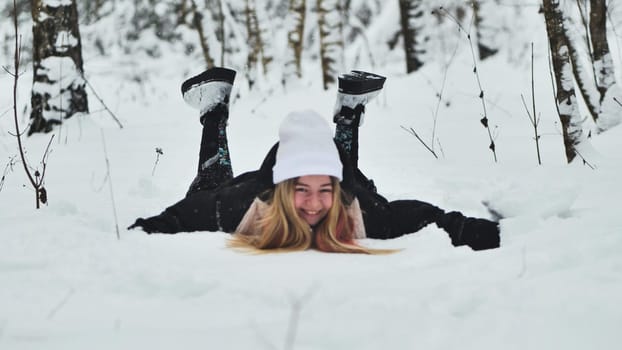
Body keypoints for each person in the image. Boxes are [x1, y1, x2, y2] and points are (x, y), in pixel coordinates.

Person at [128, 67, 500, 253]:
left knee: (351, 181)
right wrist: (143, 233)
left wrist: (481, 232)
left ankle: (348, 118)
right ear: (281, 190)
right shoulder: (238, 208)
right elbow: (181, 215)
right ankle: (214, 112)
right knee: (210, 184)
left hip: (351, 191)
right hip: (243, 188)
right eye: (300, 189)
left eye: (322, 190)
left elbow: (426, 217)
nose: (313, 202)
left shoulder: (363, 213)